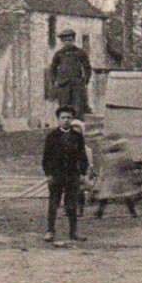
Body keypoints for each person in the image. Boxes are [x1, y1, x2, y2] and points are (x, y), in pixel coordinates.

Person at [42, 105, 89, 244]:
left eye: (69, 118)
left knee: (71, 204)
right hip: (56, 175)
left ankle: (73, 232)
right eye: (63, 117)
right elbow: (46, 158)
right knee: (53, 203)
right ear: (58, 119)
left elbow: (83, 156)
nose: (66, 120)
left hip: (72, 175)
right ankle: (50, 231)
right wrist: (48, 174)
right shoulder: (52, 137)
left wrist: (82, 173)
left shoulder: (77, 137)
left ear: (72, 119)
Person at [91, 134, 142, 219]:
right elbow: (129, 165)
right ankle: (133, 212)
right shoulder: (123, 156)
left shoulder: (107, 157)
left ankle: (99, 212)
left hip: (110, 179)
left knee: (105, 197)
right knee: (127, 196)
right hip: (121, 179)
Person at [46, 29, 93, 116]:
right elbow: (52, 69)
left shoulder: (80, 53)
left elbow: (87, 68)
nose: (67, 42)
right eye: (65, 40)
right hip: (63, 86)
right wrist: (54, 81)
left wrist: (85, 81)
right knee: (64, 109)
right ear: (62, 42)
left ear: (73, 40)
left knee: (77, 109)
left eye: (69, 40)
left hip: (77, 86)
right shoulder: (59, 54)